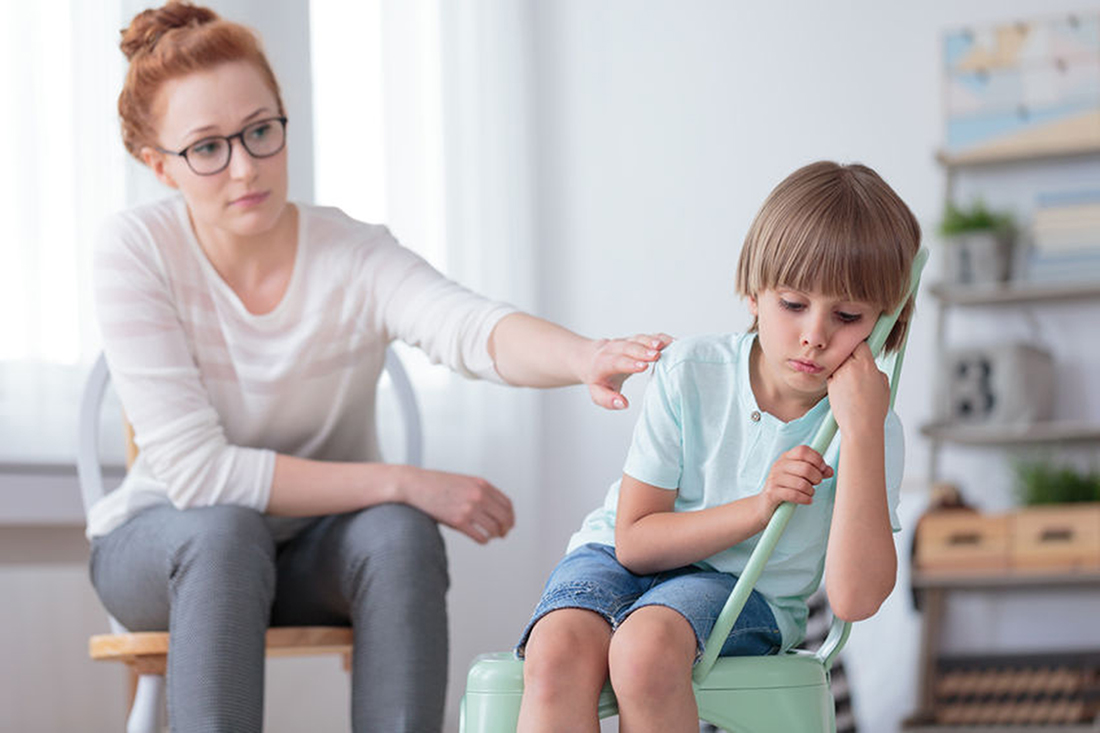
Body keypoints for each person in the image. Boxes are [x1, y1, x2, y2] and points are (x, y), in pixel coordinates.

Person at [87, 3, 671, 732]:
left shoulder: (352, 253)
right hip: (166, 548)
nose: (246, 167)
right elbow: (201, 477)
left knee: (398, 533)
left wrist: (584, 355)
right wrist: (404, 480)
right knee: (227, 530)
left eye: (262, 131)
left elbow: (467, 323)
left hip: (310, 553)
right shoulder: (135, 249)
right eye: (208, 147)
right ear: (159, 166)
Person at [515, 160, 921, 733]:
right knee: (555, 650)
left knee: (644, 651)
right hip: (620, 555)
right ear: (754, 294)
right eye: (793, 304)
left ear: (885, 325)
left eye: (849, 316)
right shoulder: (691, 371)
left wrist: (859, 432)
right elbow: (633, 544)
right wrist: (759, 507)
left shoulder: (870, 426)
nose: (815, 334)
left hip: (742, 590)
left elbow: (854, 601)